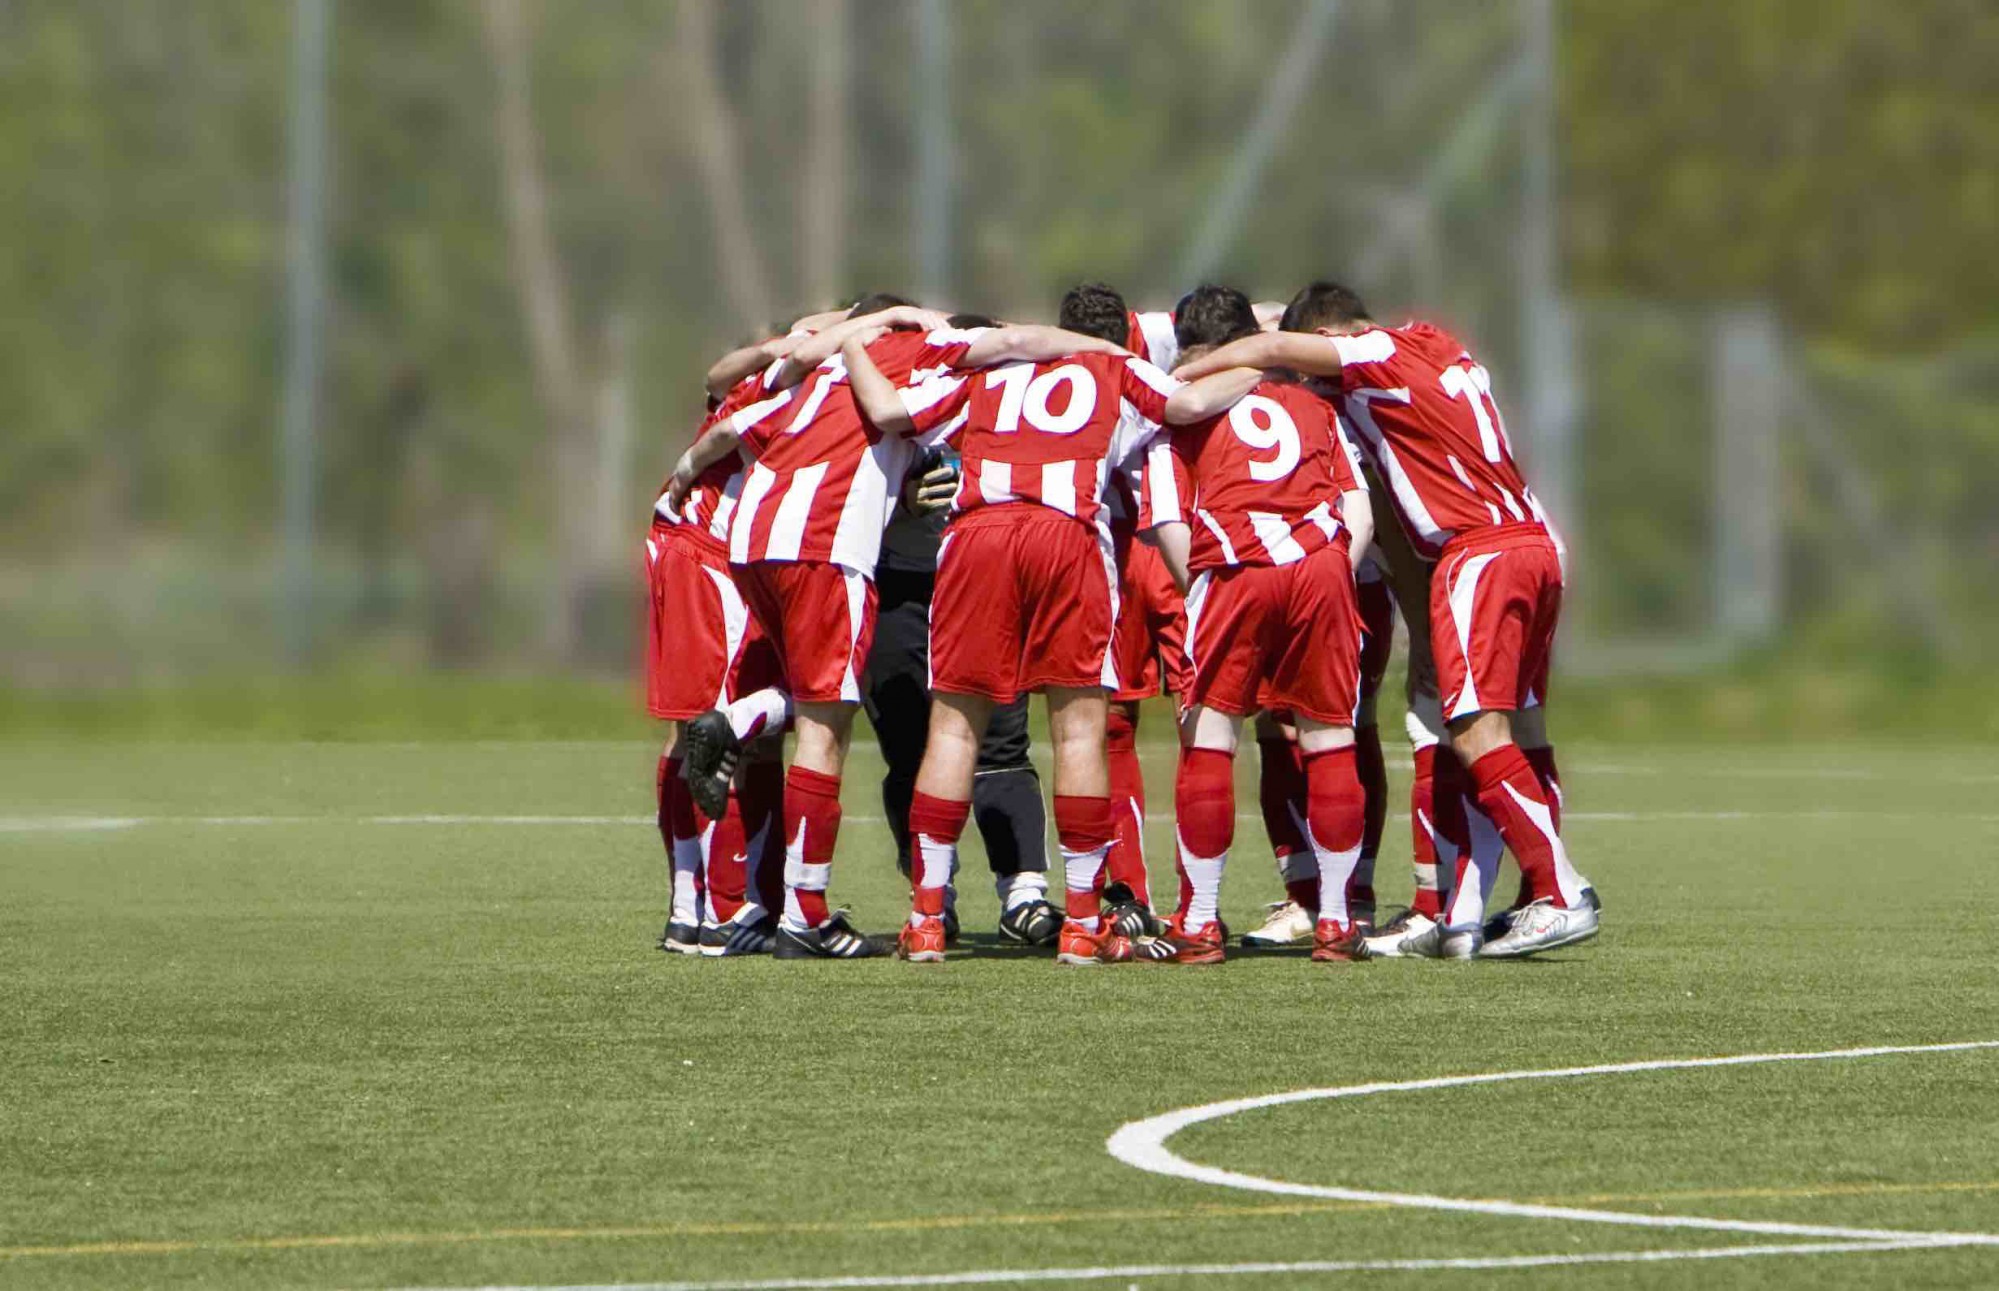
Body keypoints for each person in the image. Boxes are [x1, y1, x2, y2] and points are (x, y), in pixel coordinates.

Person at [672, 301, 1122, 958]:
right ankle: (829, 910)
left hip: (774, 543)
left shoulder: (831, 368)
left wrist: (676, 487)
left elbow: (738, 413)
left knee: (874, 708)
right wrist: (1105, 351)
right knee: (862, 730)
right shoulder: (923, 357)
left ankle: (750, 720)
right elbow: (907, 405)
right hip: (855, 554)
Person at [1174, 281, 1598, 958]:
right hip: (1534, 542)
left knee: (1469, 729)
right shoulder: (1435, 344)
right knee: (1514, 726)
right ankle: (1474, 912)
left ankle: (1558, 889)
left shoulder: (1366, 353)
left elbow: (1284, 342)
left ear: (1334, 339)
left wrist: (1191, 369)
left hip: (1475, 552)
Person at [840, 317, 1176, 964]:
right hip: (1065, 536)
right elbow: (1184, 404)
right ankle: (1081, 923)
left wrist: (848, 341)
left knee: (951, 730)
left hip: (977, 539)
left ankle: (927, 921)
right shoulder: (1114, 367)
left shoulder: (977, 375)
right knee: (1076, 731)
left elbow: (885, 408)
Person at [1140, 285, 1376, 965]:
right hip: (1322, 567)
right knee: (1328, 735)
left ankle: (1202, 921)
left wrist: (1208, 587)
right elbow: (1355, 510)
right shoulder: (1311, 403)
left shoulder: (1178, 414)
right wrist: (1328, 570)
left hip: (1233, 563)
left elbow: (1166, 523)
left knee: (1211, 732)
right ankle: (1334, 921)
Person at [862, 314, 1061, 949]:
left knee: (1003, 744)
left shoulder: (1016, 405)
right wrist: (901, 498)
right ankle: (932, 891)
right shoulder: (898, 401)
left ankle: (1023, 891)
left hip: (985, 591)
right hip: (899, 586)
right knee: (907, 750)